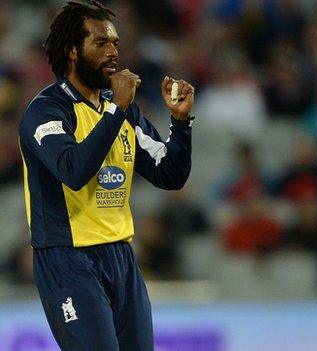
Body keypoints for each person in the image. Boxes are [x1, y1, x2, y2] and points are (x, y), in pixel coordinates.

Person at [18, 1, 195, 350]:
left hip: (121, 256)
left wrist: (180, 122)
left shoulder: (120, 109)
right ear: (72, 52)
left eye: (115, 42)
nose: (114, 52)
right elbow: (73, 170)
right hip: (68, 259)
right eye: (101, 43)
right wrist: (117, 111)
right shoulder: (46, 111)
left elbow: (170, 175)